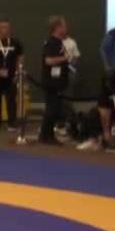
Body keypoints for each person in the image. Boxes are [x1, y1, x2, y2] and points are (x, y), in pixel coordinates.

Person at [39, 16, 72, 146]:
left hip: (58, 82)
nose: (66, 28)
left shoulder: (59, 42)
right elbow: (49, 60)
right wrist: (65, 58)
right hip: (52, 82)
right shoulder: (51, 42)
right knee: (51, 110)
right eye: (64, 25)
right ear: (57, 28)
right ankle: (45, 136)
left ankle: (48, 135)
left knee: (54, 109)